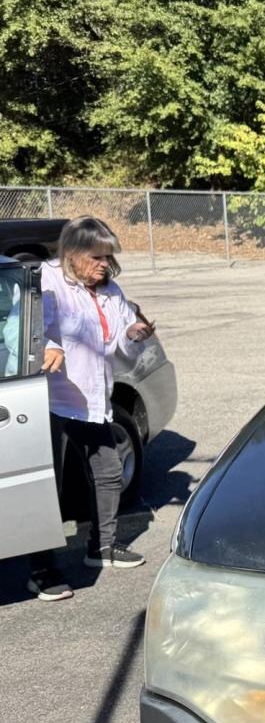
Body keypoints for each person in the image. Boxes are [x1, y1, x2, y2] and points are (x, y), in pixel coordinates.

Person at [27, 217, 155, 602]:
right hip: (50, 399)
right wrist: (46, 345)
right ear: (73, 253)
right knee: (46, 488)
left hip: (93, 399)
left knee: (109, 470)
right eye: (97, 256)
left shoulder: (111, 290)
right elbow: (26, 327)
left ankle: (102, 546)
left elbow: (122, 343)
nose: (104, 264)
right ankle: (41, 569)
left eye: (108, 257)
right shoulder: (46, 280)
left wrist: (135, 335)